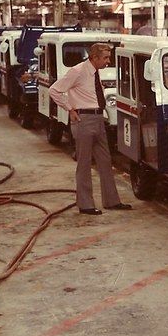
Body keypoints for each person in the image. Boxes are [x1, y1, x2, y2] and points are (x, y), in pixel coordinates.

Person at [49, 42, 132, 215]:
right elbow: (54, 90)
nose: (108, 61)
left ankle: (111, 201)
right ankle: (85, 204)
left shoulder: (94, 73)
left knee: (105, 160)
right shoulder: (78, 71)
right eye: (105, 58)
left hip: (98, 118)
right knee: (84, 163)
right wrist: (69, 109)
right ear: (94, 57)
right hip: (84, 119)